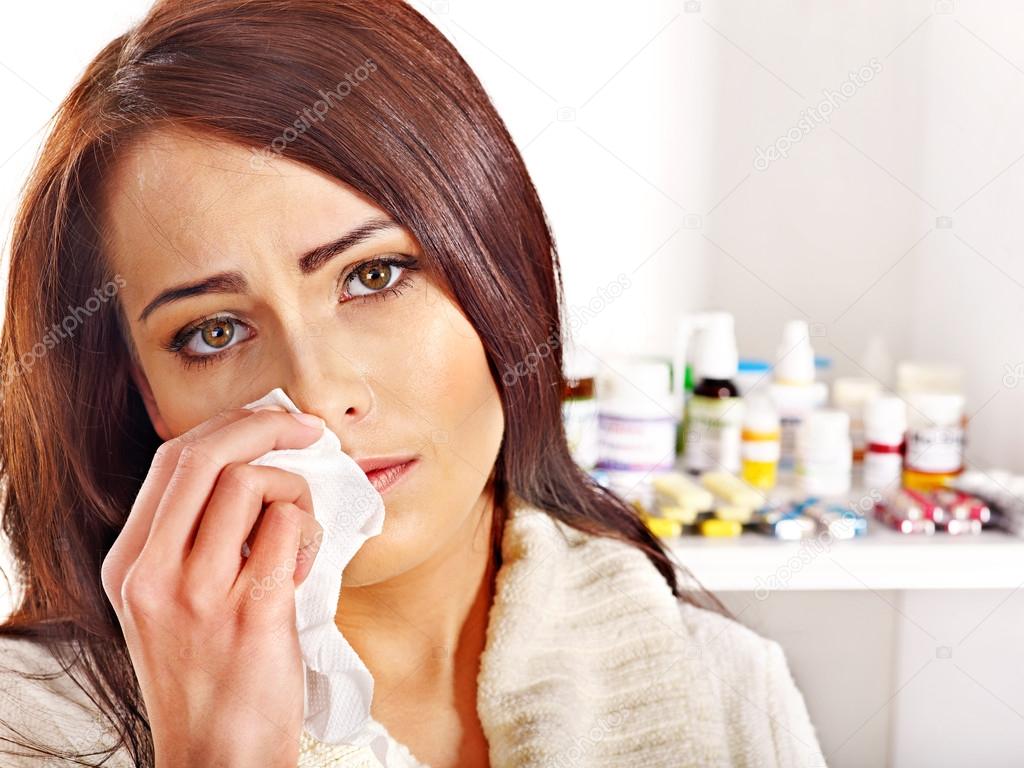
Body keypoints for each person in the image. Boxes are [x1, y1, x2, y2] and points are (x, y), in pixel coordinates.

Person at [0, 1, 827, 766]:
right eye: (214, 332)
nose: (321, 396)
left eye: (373, 276)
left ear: (501, 271)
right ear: (142, 396)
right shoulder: (27, 727)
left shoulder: (729, 691)